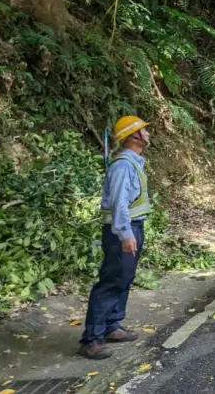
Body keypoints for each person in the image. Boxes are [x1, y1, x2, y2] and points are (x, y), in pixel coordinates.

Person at [79, 115, 152, 360]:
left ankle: (112, 325)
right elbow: (120, 202)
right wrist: (125, 234)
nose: (148, 134)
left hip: (133, 226)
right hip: (123, 229)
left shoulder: (135, 162)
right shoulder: (123, 166)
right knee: (111, 281)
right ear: (134, 136)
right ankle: (92, 338)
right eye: (144, 131)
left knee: (124, 278)